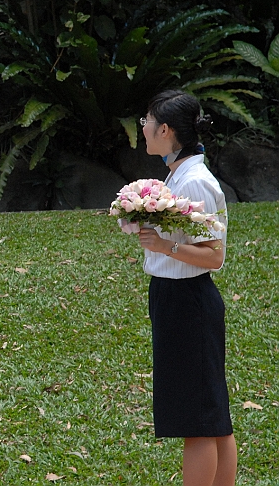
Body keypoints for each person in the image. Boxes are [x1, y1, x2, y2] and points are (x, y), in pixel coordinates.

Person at [134, 90, 235, 486]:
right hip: (176, 299)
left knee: (198, 420)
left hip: (188, 302)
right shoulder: (179, 174)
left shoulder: (194, 182)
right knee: (211, 415)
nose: (142, 127)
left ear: (165, 130)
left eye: (146, 120)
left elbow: (214, 255)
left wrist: (165, 247)